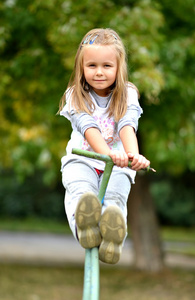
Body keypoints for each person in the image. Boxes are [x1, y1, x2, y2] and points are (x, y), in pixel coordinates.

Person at [58, 28, 150, 264]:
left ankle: (112, 241)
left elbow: (127, 125)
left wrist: (133, 155)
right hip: (82, 160)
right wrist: (109, 153)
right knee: (82, 193)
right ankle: (86, 231)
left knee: (115, 198)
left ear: (119, 67)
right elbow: (88, 128)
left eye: (107, 66)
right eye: (92, 66)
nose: (99, 72)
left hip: (118, 163)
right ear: (81, 67)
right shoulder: (75, 95)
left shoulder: (128, 93)